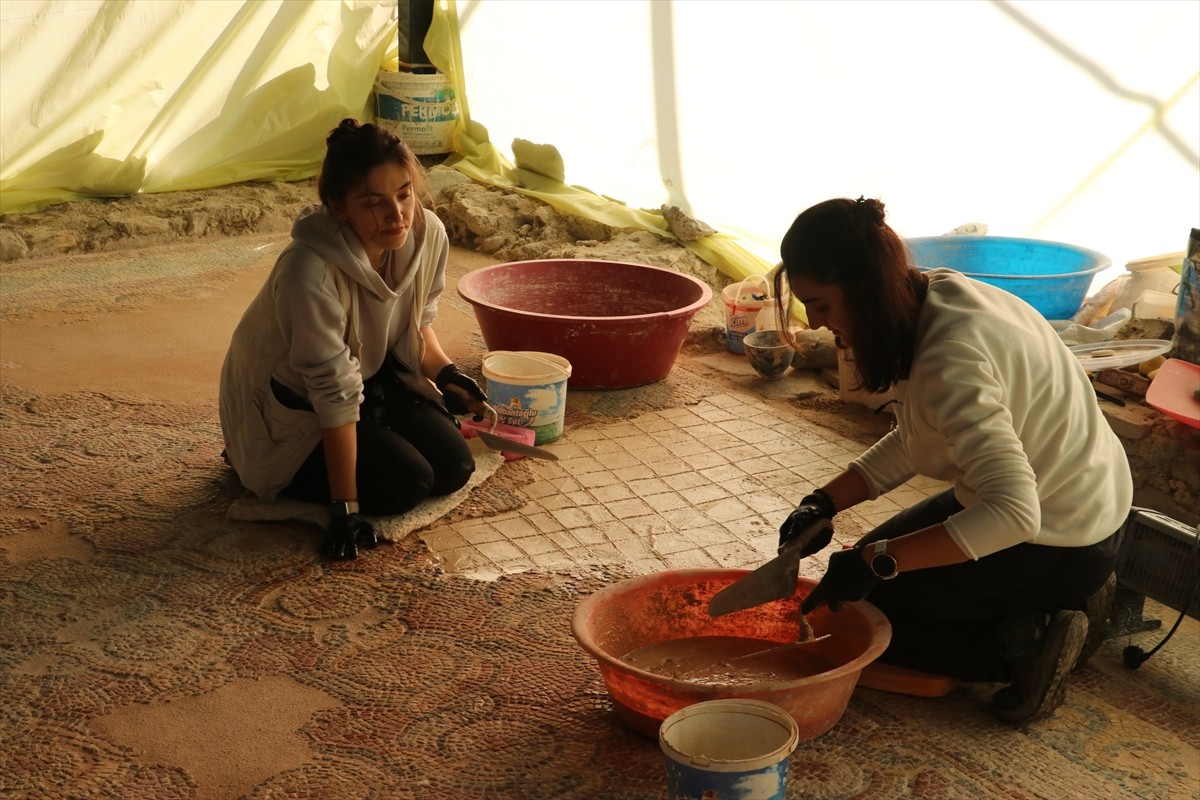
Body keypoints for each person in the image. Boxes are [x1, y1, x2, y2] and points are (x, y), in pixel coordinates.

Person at [773, 196, 1132, 723]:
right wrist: (823, 501)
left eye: (823, 305)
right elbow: (924, 434)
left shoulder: (950, 358)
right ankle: (1072, 599)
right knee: (865, 576)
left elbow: (1014, 515)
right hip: (1084, 495)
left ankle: (1026, 643)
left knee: (865, 618)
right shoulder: (931, 292)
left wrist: (876, 562)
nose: (817, 321)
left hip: (1059, 533)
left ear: (866, 290)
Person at [219, 119, 488, 560]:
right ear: (338, 207)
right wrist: (344, 508)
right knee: (406, 484)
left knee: (454, 468)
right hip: (294, 412)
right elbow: (333, 393)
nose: (397, 215)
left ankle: (380, 427)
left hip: (372, 381)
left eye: (404, 194)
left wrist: (446, 372)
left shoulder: (427, 233)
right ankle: (248, 459)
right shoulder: (308, 273)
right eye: (373, 203)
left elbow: (416, 321)